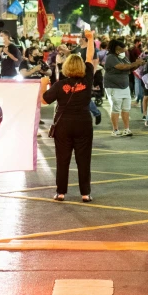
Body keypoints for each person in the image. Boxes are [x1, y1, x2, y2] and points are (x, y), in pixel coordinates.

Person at [40, 30, 96, 202]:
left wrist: (44, 84)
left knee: (62, 160)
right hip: (83, 123)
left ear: (65, 67)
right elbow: (89, 57)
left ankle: (61, 192)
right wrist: (91, 39)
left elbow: (44, 101)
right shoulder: (87, 80)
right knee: (83, 160)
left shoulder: (59, 85)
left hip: (63, 125)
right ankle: (85, 193)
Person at [103, 39, 143, 137]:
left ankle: (126, 129)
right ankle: (115, 130)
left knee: (126, 108)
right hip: (113, 86)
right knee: (116, 108)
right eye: (122, 50)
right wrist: (134, 63)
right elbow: (121, 67)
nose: (123, 52)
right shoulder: (110, 57)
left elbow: (128, 67)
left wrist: (137, 64)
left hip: (124, 86)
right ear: (116, 49)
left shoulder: (123, 57)